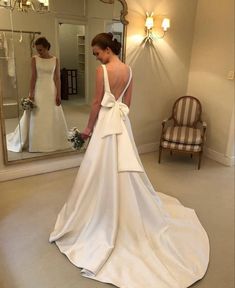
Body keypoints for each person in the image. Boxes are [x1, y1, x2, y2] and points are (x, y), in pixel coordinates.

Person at [49, 33, 209, 288]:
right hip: (122, 124)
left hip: (105, 124)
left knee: (100, 167)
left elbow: (95, 103)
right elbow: (128, 104)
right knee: (125, 166)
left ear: (107, 50)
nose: (96, 57)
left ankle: (102, 210)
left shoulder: (103, 71)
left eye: (97, 52)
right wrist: (117, 116)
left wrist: (88, 130)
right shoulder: (130, 70)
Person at [6, 36, 70, 152]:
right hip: (39, 90)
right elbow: (33, 77)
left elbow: (57, 78)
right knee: (38, 114)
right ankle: (37, 142)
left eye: (40, 49)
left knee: (52, 113)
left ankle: (53, 140)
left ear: (46, 48)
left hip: (51, 89)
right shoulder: (35, 59)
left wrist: (58, 94)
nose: (38, 52)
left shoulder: (55, 59)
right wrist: (31, 93)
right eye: (37, 50)